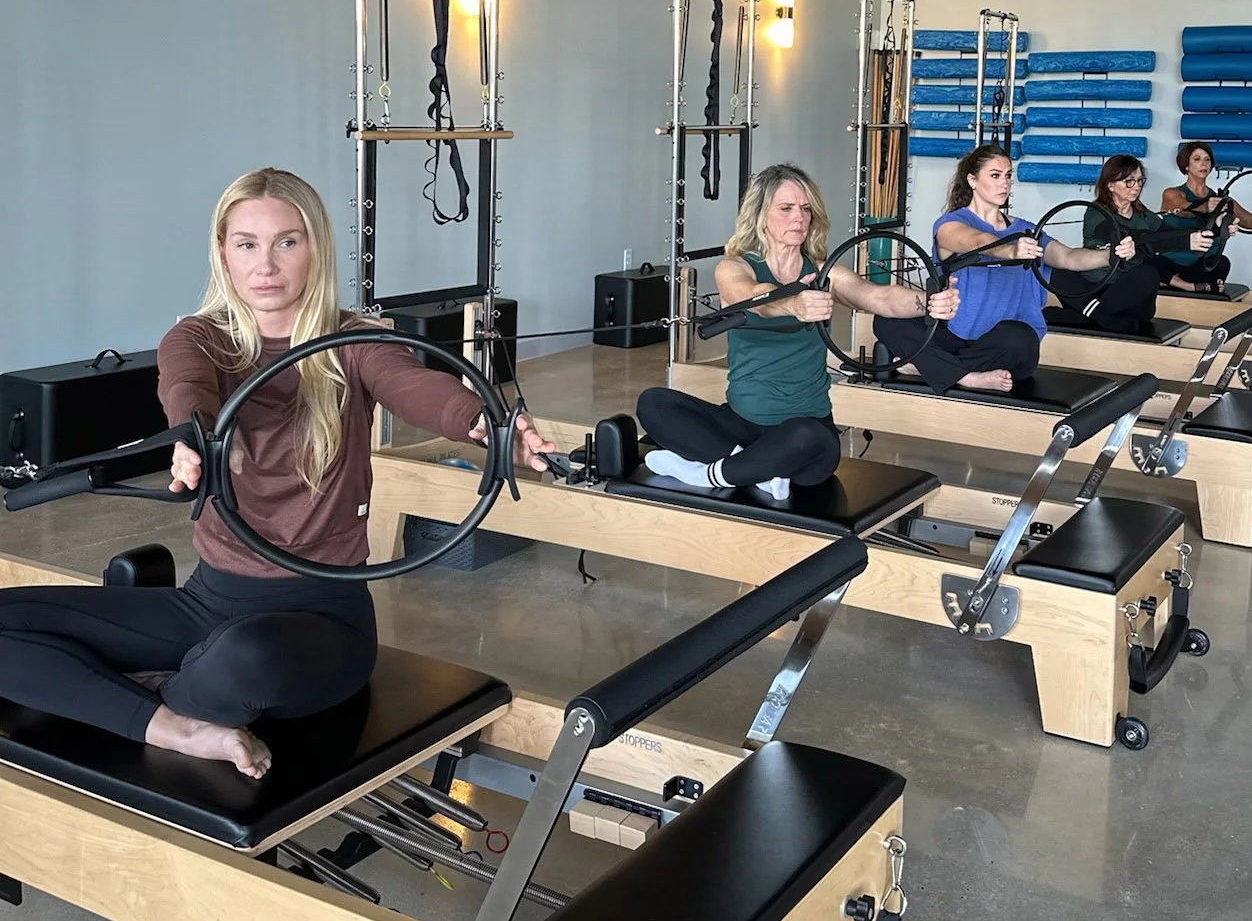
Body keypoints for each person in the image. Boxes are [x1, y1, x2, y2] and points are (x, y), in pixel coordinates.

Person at [0, 167, 554, 781]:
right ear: (223, 253)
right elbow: (187, 389)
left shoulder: (355, 341)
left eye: (287, 241)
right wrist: (195, 439)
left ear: (315, 248)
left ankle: (152, 690)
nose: (266, 264)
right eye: (247, 244)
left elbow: (415, 385)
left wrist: (482, 417)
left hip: (321, 622)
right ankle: (174, 721)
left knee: (245, 657)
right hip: (207, 604)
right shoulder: (196, 338)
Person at [637, 162, 960, 496]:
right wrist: (792, 304)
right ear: (761, 214)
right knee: (654, 404)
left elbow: (879, 297)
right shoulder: (735, 267)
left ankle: (713, 474)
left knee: (813, 438)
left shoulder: (823, 273)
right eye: (787, 208)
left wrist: (927, 301)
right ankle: (755, 468)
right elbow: (750, 298)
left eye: (805, 209)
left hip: (803, 432)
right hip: (742, 424)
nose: (800, 218)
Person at [873, 143, 1135, 391]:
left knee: (1022, 338)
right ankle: (968, 377)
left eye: (1008, 176)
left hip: (1004, 346)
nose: (1005, 183)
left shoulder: (1027, 230)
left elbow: (1068, 257)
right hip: (953, 336)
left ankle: (930, 366)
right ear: (972, 180)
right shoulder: (950, 224)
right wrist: (1011, 250)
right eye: (995, 175)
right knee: (886, 319)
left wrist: (1110, 256)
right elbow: (975, 241)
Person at [1076, 154, 1217, 320]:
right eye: (1129, 181)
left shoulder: (1142, 214)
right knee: (1148, 272)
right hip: (1101, 287)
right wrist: (1184, 240)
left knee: (1154, 269)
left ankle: (1097, 317)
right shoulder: (1096, 212)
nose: (1136, 187)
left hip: (1130, 286)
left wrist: (1216, 226)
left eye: (1139, 180)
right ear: (1110, 185)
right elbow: (1129, 236)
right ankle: (1094, 315)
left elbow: (1167, 232)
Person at [1158, 142, 1252, 290]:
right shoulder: (1172, 193)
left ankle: (1196, 285)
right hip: (1170, 264)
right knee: (1149, 260)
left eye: (1207, 160)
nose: (1204, 163)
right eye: (1197, 159)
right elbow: (1183, 208)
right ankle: (1185, 285)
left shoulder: (1220, 200)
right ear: (1186, 165)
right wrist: (1205, 207)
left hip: (1199, 266)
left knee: (1222, 262)